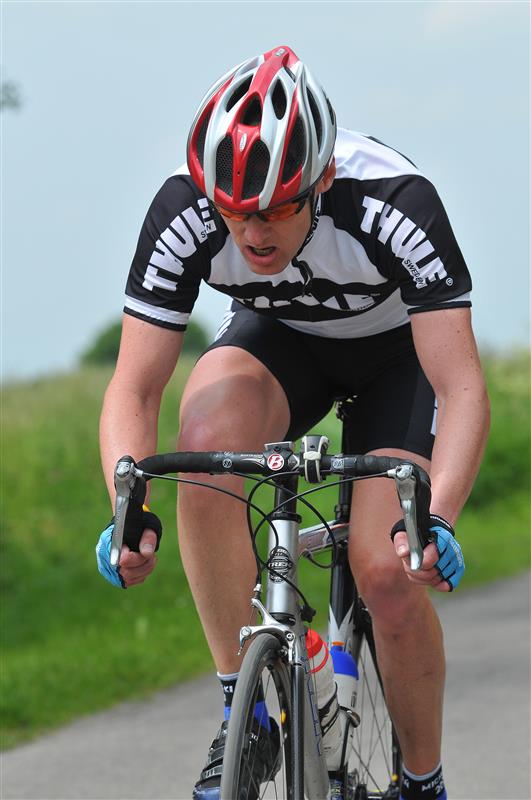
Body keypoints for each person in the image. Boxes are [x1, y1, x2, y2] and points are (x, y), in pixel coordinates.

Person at [96, 45, 490, 800]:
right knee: (204, 450)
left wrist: (435, 517)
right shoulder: (184, 212)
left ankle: (422, 778)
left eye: (278, 208)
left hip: (398, 359)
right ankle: (243, 717)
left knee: (388, 571)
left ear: (322, 179)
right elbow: (134, 388)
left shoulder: (394, 201)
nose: (253, 234)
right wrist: (126, 507)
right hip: (282, 345)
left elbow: (460, 384)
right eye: (235, 212)